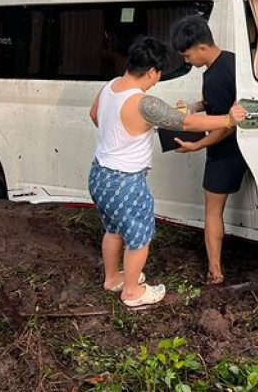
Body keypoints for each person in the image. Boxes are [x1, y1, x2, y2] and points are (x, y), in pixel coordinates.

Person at [88, 36, 246, 307]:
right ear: (151, 71)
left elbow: (95, 115)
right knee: (139, 236)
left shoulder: (110, 86)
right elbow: (186, 122)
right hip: (126, 181)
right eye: (157, 75)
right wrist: (228, 119)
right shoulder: (144, 103)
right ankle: (131, 293)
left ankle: (112, 278)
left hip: (100, 174)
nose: (156, 81)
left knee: (113, 229)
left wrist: (121, 136)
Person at [171, 16, 249, 285]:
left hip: (225, 150)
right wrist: (195, 106)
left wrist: (197, 144)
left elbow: (226, 127)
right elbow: (222, 103)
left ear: (201, 47)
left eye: (187, 54)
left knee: (213, 210)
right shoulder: (232, 61)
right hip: (248, 146)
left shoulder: (214, 76)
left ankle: (215, 272)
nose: (187, 60)